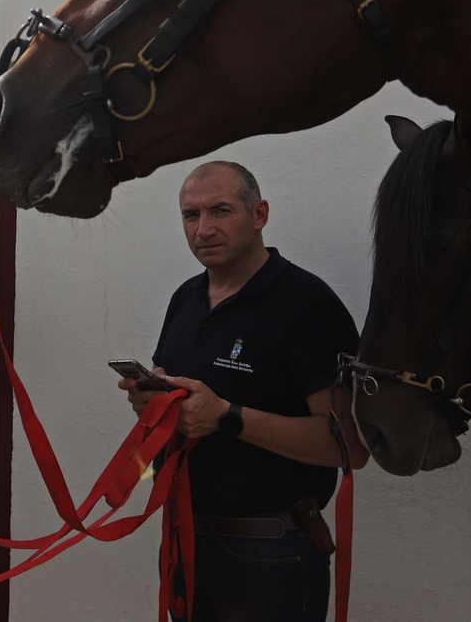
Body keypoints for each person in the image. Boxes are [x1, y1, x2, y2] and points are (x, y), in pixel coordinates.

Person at [120, 161, 368, 622]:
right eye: (190, 215)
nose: (204, 229)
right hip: (186, 539)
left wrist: (228, 416)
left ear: (260, 215)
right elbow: (189, 411)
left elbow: (349, 445)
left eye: (221, 210)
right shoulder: (186, 298)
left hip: (270, 553)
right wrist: (156, 406)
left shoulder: (307, 304)